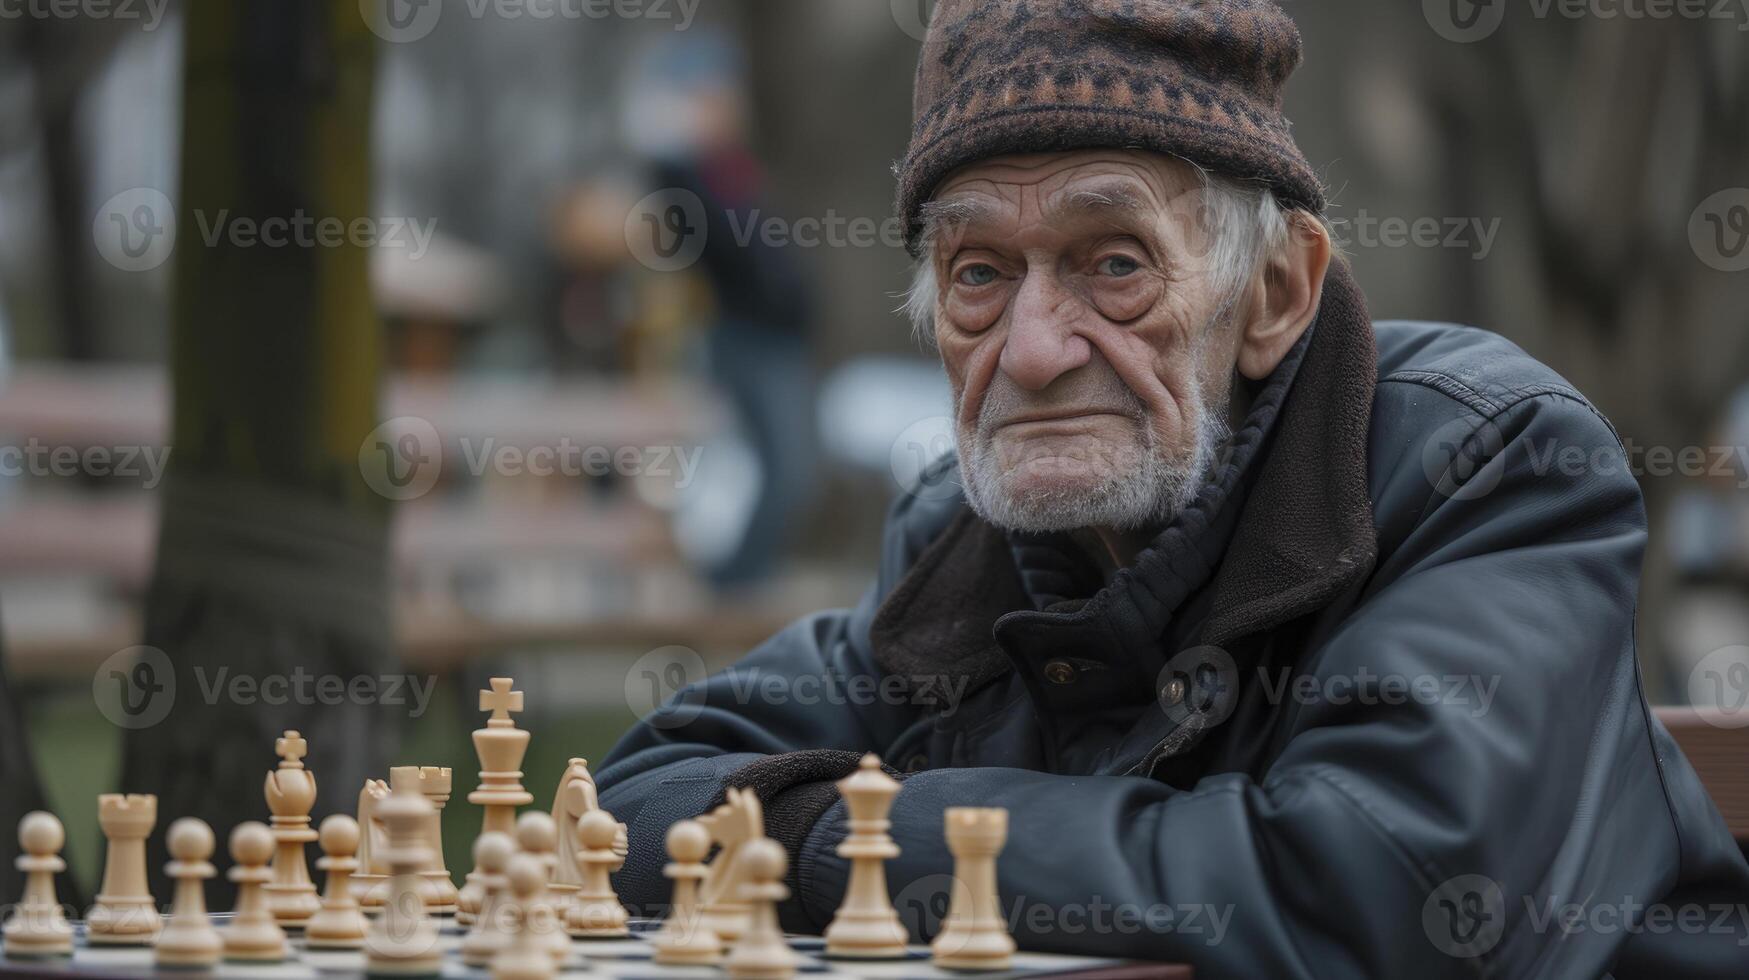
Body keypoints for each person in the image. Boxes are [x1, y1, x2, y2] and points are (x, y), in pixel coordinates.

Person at [597, 2, 1749, 975]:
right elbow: (629, 796)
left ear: (1278, 291)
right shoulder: (967, 530)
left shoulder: (1482, 464)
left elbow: (1385, 893)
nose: (1037, 349)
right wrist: (824, 827)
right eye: (980, 274)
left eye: (1115, 263)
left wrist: (846, 839)